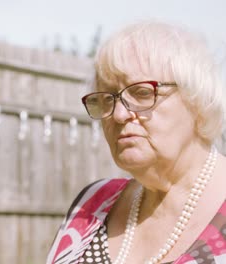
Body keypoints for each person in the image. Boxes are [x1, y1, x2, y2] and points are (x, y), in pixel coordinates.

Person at [46, 21, 226, 264]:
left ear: (197, 99)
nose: (118, 115)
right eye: (107, 99)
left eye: (142, 93)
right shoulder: (93, 203)